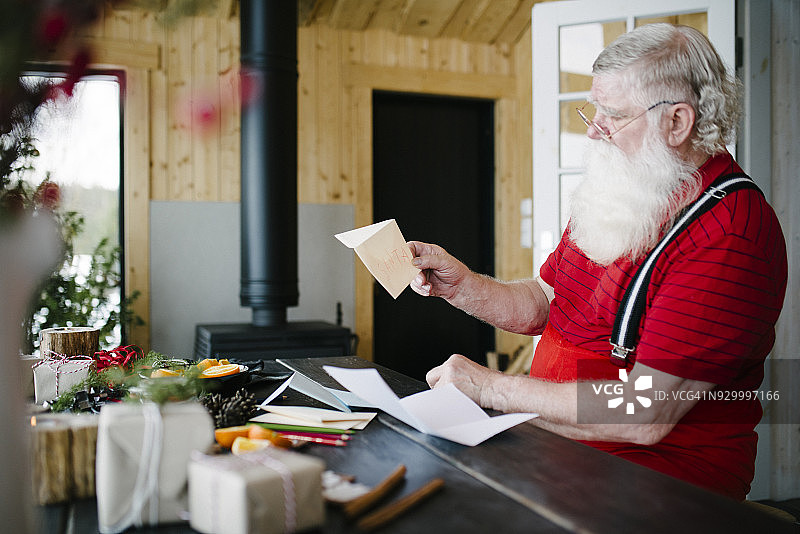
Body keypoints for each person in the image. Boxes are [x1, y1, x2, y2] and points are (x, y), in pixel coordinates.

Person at [408, 23, 787, 502]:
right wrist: (460, 285)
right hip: (563, 457)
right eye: (594, 110)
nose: (592, 129)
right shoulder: (626, 193)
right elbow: (545, 303)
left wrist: (490, 389)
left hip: (662, 491)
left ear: (677, 122)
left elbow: (644, 413)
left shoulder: (730, 232)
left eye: (613, 116)